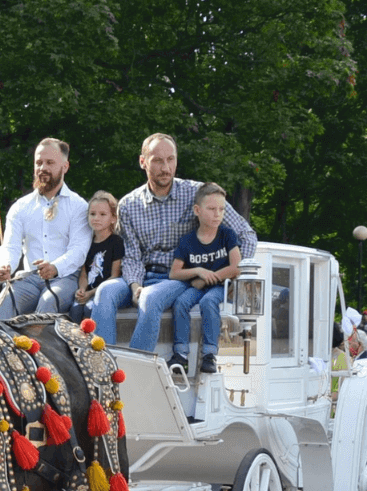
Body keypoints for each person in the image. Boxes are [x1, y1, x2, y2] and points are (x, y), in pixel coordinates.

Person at [93, 133, 257, 352]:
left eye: (171, 159)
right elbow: (131, 256)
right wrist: (134, 286)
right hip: (141, 275)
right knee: (105, 291)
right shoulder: (128, 205)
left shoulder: (197, 195)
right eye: (158, 160)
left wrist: (230, 275)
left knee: (150, 298)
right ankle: (102, 366)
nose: (166, 167)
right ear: (143, 162)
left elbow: (246, 234)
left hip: (178, 277)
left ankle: (134, 369)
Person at [0, 138, 91, 319]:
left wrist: (55, 267)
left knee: (48, 301)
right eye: (38, 163)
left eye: (49, 163)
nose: (42, 168)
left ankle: (34, 347)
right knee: (3, 302)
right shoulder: (20, 207)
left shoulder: (79, 207)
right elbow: (10, 247)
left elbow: (79, 251)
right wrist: (5, 266)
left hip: (65, 278)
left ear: (65, 167)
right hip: (29, 278)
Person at [164, 182, 241, 374]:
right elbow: (174, 273)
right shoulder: (188, 240)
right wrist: (198, 270)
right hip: (197, 285)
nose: (217, 214)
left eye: (221, 209)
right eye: (212, 209)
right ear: (197, 210)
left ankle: (209, 355)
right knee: (181, 302)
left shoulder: (227, 235)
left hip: (220, 287)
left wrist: (207, 279)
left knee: (208, 303)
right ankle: (181, 355)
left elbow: (236, 267)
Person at [70, 191, 123, 321]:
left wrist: (90, 293)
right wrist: (82, 290)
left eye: (102, 214)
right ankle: (75, 340)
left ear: (113, 218)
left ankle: (93, 341)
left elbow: (115, 275)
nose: (96, 218)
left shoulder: (116, 242)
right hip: (87, 291)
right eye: (92, 214)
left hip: (102, 293)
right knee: (75, 309)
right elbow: (84, 272)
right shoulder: (86, 242)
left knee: (90, 308)